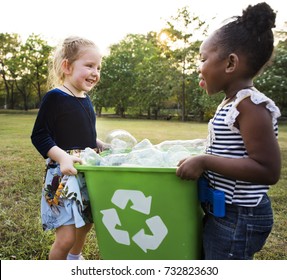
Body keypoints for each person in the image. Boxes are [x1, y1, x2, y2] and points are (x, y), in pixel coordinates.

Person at [176, 2, 281, 260]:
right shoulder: (232, 103)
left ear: (230, 63)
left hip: (239, 217)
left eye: (202, 59)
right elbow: (230, 149)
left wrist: (204, 160)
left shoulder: (251, 105)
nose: (199, 67)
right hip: (224, 212)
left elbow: (268, 170)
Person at [31, 36, 106, 260]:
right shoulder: (55, 98)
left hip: (85, 173)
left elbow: (83, 133)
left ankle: (74, 258)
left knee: (86, 223)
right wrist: (62, 157)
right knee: (65, 237)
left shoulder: (86, 99)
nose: (95, 72)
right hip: (61, 177)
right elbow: (40, 135)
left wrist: (98, 143)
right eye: (89, 66)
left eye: (99, 67)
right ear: (67, 66)